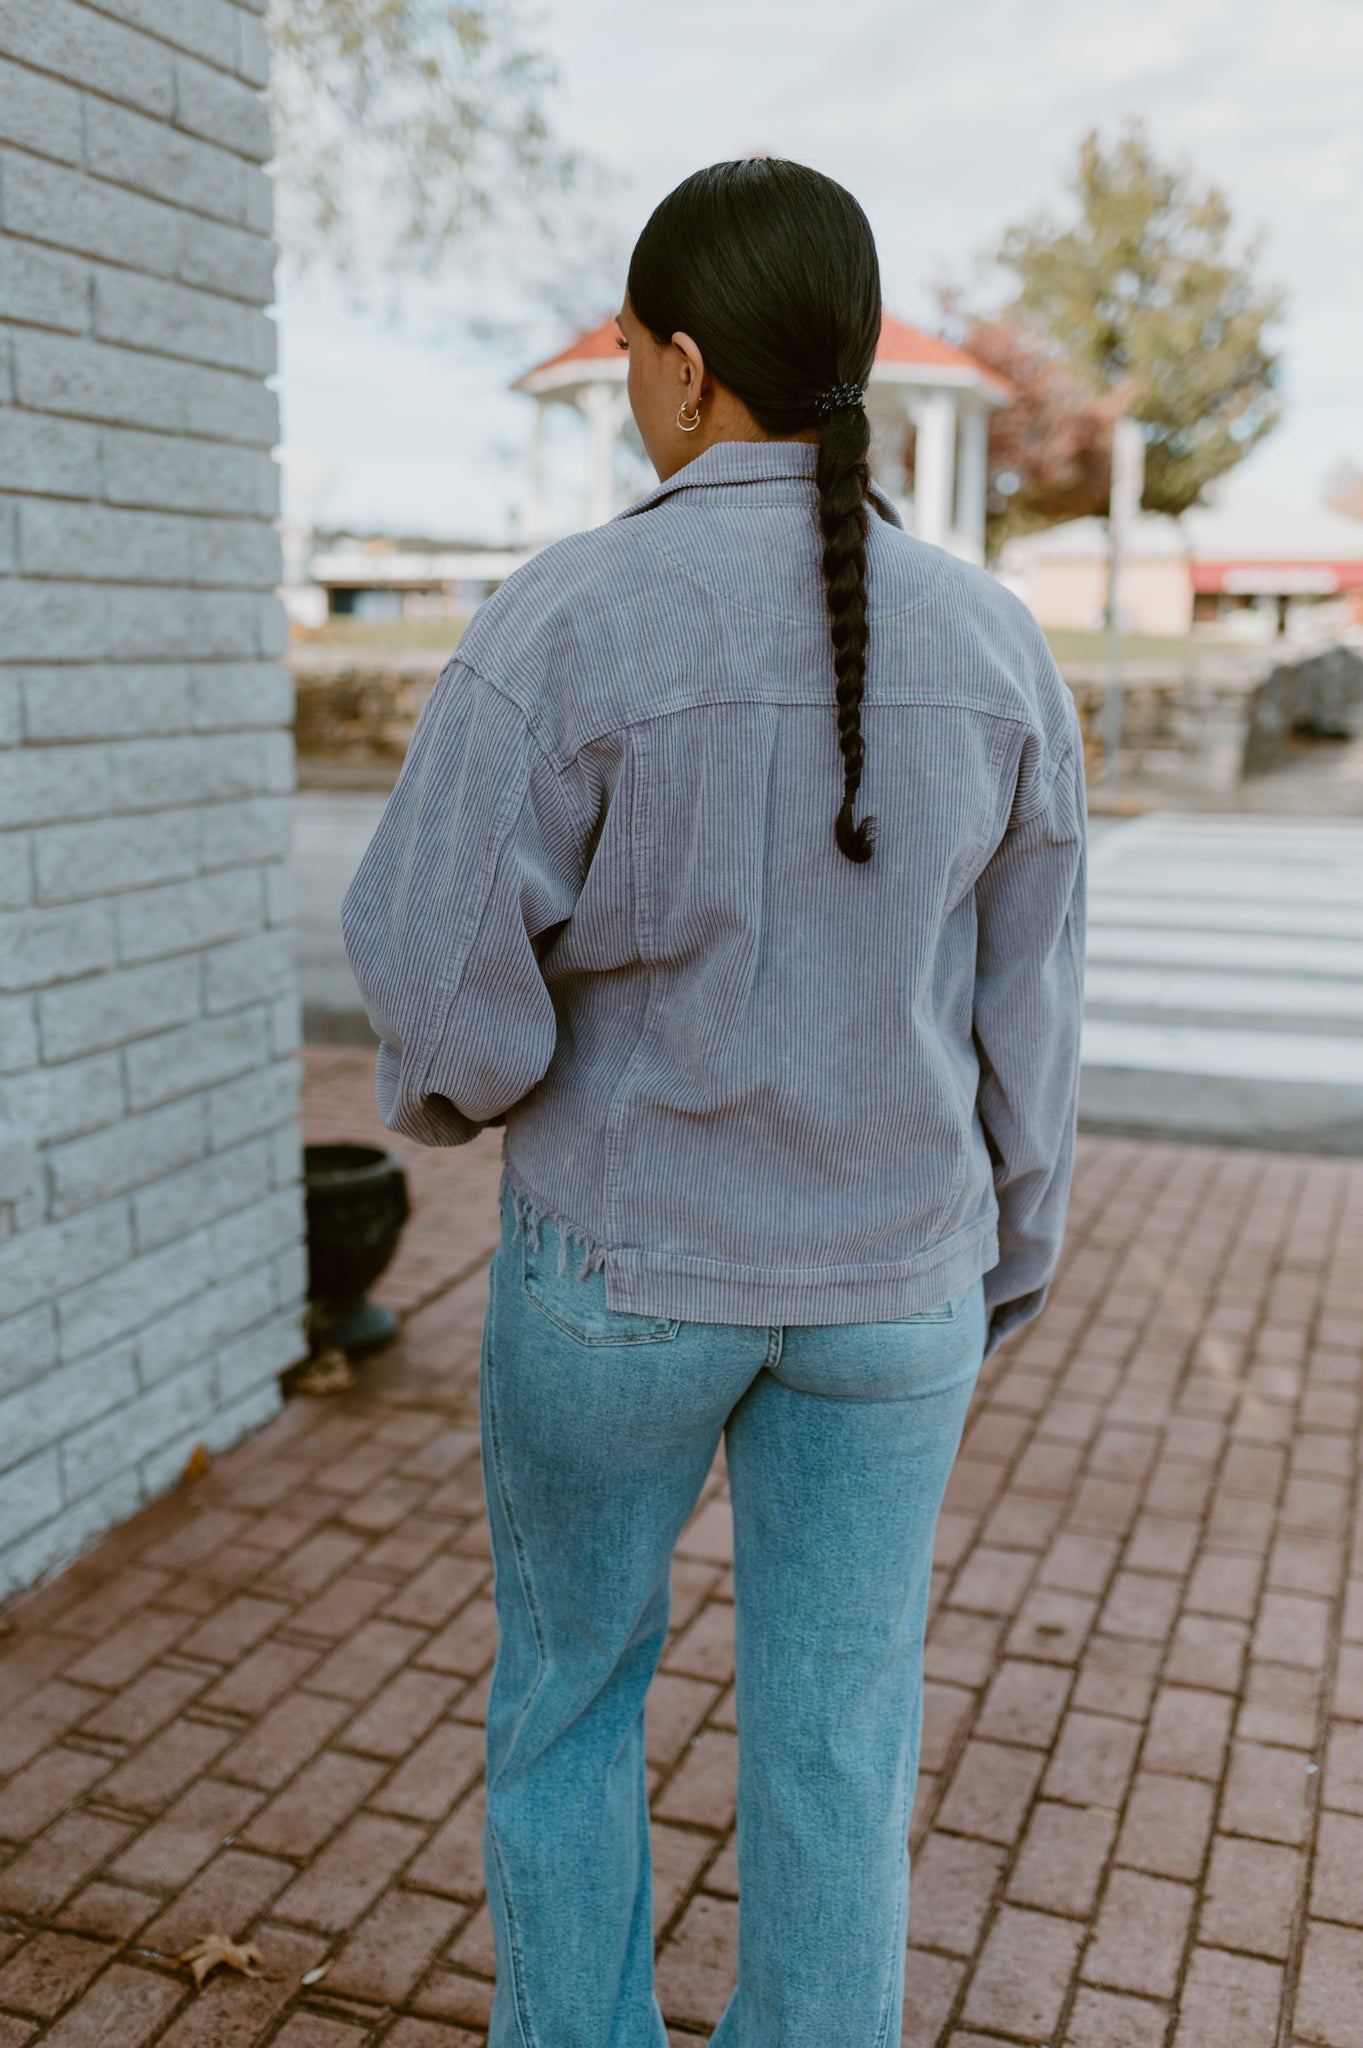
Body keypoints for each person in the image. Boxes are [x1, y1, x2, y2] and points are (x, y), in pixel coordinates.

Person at [343, 157, 1086, 2048]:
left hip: (623, 1266)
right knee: (843, 1733)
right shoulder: (1003, 645)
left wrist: (485, 1095)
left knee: (575, 1693)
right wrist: (1008, 1244)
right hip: (898, 1285)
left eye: (625, 356)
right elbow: (1032, 1005)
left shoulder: (570, 617)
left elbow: (437, 975)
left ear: (679, 366)